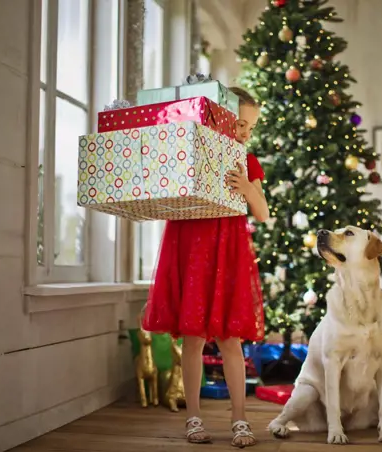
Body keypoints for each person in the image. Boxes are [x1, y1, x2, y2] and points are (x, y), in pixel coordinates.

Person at [142, 87, 268, 448]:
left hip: (227, 254)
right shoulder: (191, 152)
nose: (245, 133)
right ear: (222, 117)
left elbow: (262, 212)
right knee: (193, 337)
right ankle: (193, 416)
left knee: (231, 338)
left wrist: (246, 186)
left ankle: (239, 417)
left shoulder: (247, 160)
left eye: (251, 128)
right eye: (241, 124)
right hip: (192, 251)